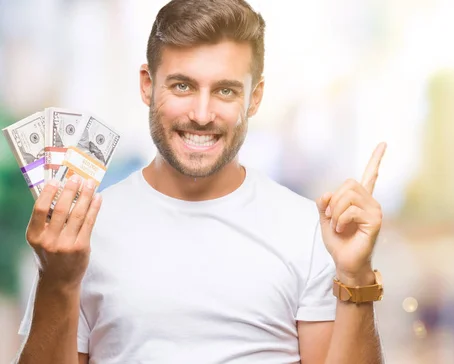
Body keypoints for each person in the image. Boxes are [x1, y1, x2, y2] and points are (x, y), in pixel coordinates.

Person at [15, 0, 387, 363]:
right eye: (182, 86)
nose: (202, 114)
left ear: (254, 98)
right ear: (147, 85)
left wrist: (356, 275)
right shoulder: (80, 233)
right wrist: (57, 281)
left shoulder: (308, 231)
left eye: (225, 90)